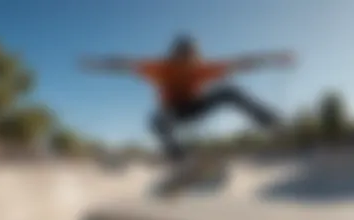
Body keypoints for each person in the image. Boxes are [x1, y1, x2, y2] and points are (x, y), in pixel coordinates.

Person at [80, 35, 295, 164]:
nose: (187, 63)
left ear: (195, 56)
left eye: (191, 58)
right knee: (157, 119)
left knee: (230, 91)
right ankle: (176, 154)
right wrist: (97, 64)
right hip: (174, 112)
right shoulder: (160, 67)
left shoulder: (201, 68)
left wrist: (274, 58)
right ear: (175, 55)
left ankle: (269, 121)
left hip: (195, 108)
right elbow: (124, 64)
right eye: (183, 57)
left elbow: (241, 63)